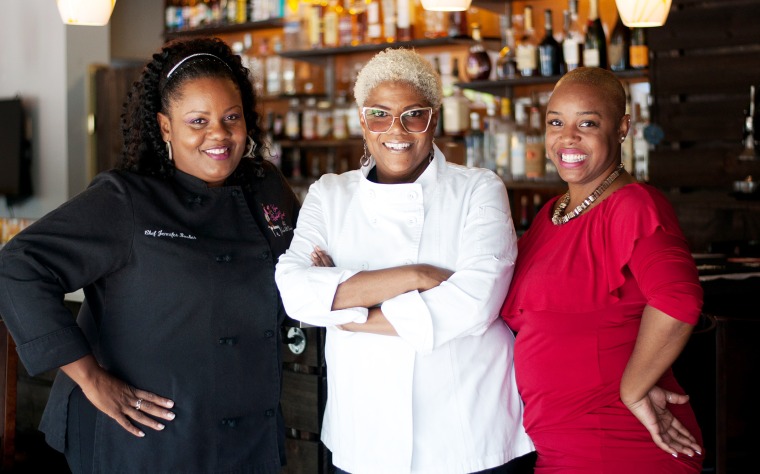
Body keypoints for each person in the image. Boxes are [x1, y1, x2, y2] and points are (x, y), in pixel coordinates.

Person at [0, 37, 299, 473]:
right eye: (197, 121)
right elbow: (18, 266)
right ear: (165, 127)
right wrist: (90, 379)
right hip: (145, 435)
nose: (218, 134)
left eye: (231, 117)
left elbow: (301, 266)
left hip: (244, 424)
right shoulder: (126, 199)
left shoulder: (265, 187)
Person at [274, 48, 535, 474]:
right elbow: (296, 292)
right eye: (379, 114)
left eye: (414, 114)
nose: (396, 129)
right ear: (362, 120)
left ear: (434, 118)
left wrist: (345, 310)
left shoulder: (478, 190)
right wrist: (419, 276)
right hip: (365, 437)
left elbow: (474, 303)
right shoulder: (330, 193)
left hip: (468, 433)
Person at [500, 67, 704, 473]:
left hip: (619, 444)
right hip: (561, 446)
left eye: (587, 123)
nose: (567, 137)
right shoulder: (552, 215)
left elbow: (679, 300)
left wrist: (633, 389)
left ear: (623, 127)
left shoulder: (633, 206)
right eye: (556, 122)